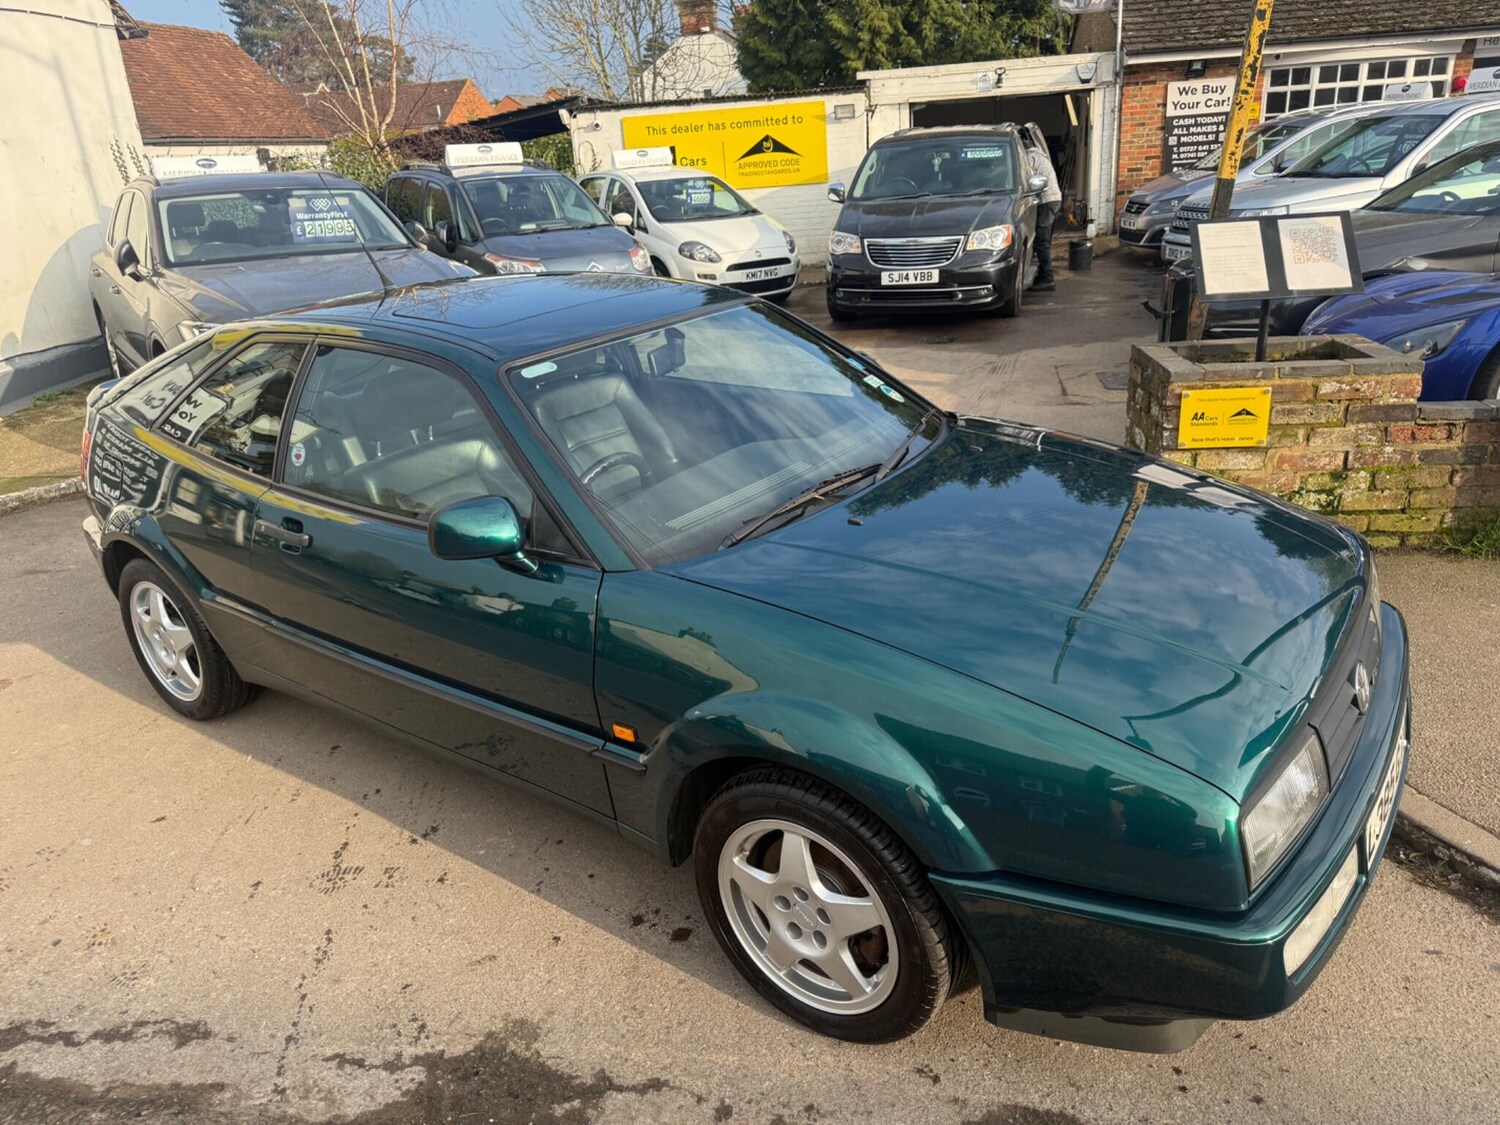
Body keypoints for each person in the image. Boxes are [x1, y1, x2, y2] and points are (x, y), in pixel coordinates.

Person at [1023, 124, 1062, 292]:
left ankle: (1047, 278)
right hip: (1052, 199)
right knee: (1042, 239)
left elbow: (1026, 181)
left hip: (1046, 200)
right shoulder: (1039, 154)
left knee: (1041, 241)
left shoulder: (1030, 158)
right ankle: (1042, 274)